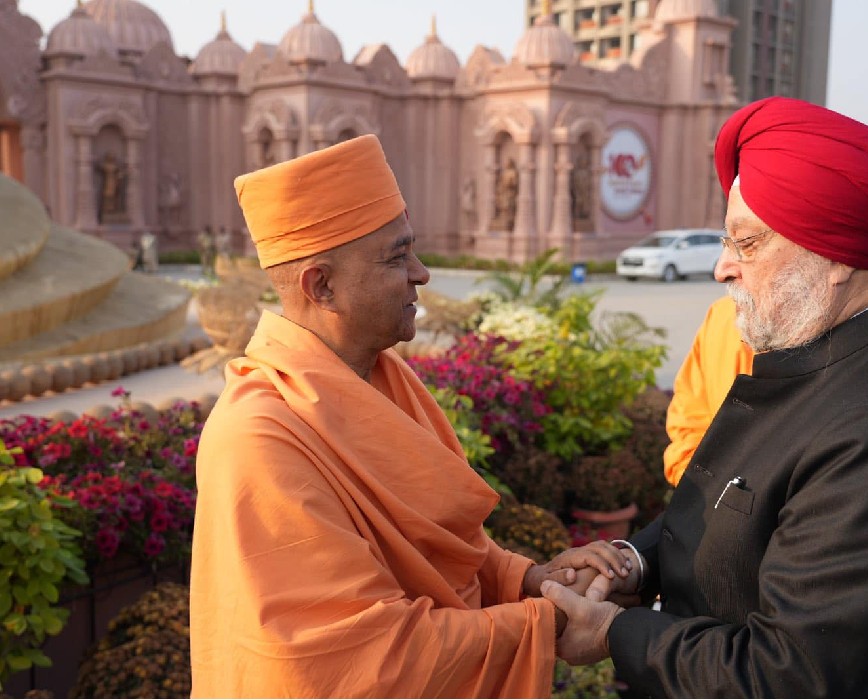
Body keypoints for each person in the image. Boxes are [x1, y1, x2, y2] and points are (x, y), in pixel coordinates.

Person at [540, 96, 868, 697]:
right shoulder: (829, 357)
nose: (722, 267)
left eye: (748, 244)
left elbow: (790, 676)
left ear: (837, 257)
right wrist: (633, 560)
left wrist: (615, 634)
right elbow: (745, 505)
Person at [188, 134, 630, 698]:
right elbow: (363, 659)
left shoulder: (386, 379)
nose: (421, 274)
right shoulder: (259, 436)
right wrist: (556, 622)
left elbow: (446, 554)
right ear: (321, 285)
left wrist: (531, 581)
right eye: (397, 257)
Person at [662, 295, 752, 486]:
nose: (721, 271)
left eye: (748, 261)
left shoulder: (827, 333)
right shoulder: (723, 315)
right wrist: (706, 490)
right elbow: (689, 428)